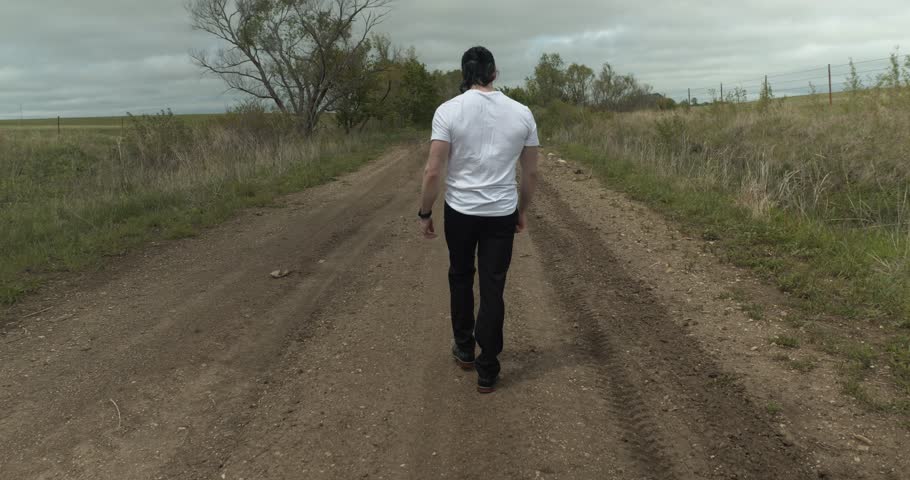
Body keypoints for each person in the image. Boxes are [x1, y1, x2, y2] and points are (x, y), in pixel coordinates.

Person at [418, 46, 539, 394]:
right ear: (494, 73)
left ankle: (465, 347)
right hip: (501, 212)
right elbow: (530, 174)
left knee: (460, 276)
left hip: (460, 212)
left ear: (464, 73)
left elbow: (432, 171)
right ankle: (488, 367)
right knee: (493, 285)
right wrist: (521, 210)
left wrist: (425, 212)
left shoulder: (448, 111)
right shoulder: (522, 113)